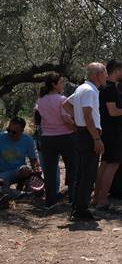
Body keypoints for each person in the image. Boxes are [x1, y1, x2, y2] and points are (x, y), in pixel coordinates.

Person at [65, 62, 106, 221]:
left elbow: (66, 104)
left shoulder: (81, 88)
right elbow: (88, 115)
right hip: (89, 135)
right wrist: (96, 138)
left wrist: (77, 121)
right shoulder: (89, 91)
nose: (106, 76)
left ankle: (78, 207)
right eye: (104, 73)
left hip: (83, 133)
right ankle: (81, 210)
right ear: (97, 75)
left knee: (82, 173)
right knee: (88, 174)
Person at [94, 60, 122, 213]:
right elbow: (112, 111)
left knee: (104, 164)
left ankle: (97, 197)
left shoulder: (104, 88)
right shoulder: (110, 89)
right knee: (112, 165)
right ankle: (103, 199)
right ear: (116, 71)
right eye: (121, 71)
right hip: (113, 133)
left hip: (106, 131)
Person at [35, 73, 78, 207]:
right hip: (65, 137)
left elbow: (37, 119)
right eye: (61, 82)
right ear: (54, 85)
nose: (63, 84)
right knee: (72, 168)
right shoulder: (62, 99)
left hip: (47, 139)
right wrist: (76, 128)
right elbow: (66, 119)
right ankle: (73, 198)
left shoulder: (40, 100)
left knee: (50, 171)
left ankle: (50, 201)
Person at [0, 118, 40, 197]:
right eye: (8, 130)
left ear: (22, 131)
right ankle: (18, 194)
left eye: (14, 132)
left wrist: (37, 171)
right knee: (2, 189)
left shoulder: (28, 140)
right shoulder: (1, 138)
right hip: (2, 173)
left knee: (26, 170)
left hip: (18, 171)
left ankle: (20, 188)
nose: (10, 133)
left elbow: (33, 159)